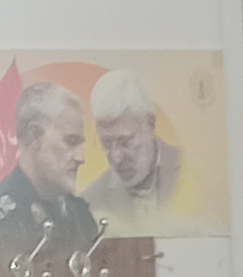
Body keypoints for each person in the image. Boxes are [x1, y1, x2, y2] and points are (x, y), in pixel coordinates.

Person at [0, 79, 100, 277]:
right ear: (34, 135)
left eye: (80, 144)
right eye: (70, 142)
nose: (81, 158)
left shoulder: (79, 213)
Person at [81, 69, 191, 235]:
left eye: (125, 142)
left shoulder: (193, 170)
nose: (116, 157)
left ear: (150, 124)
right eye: (106, 143)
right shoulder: (92, 201)